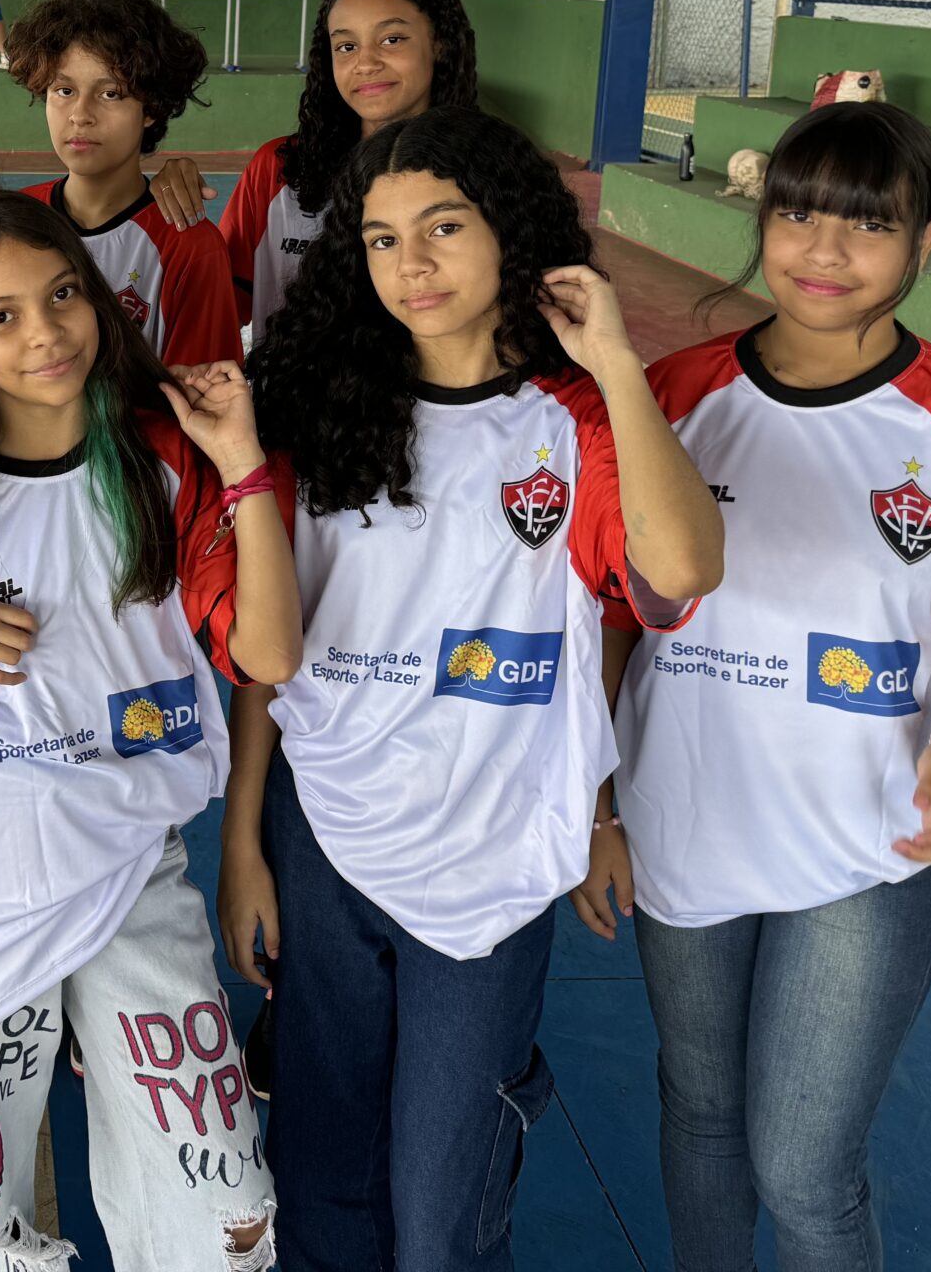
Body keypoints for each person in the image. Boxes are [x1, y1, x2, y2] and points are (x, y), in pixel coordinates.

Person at [219, 106, 725, 1272]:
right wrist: (243, 838)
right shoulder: (311, 406)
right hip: (324, 830)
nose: (413, 263)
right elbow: (266, 655)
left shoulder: (576, 417)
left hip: (495, 843)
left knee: (443, 1202)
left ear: (508, 229)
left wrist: (614, 364)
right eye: (382, 239)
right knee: (321, 1169)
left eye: (443, 227)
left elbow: (683, 565)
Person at [594, 102, 931, 1272]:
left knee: (804, 1168)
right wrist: (599, 805)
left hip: (866, 840)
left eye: (866, 225)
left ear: (925, 243)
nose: (822, 250)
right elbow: (608, 616)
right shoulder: (672, 399)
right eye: (797, 214)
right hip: (682, 822)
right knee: (701, 1114)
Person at [0, 190, 301, 1272]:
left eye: (60, 296)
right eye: (0, 316)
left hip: (133, 868)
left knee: (227, 1206)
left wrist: (244, 466)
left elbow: (269, 655)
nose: (43, 332)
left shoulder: (162, 460)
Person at [150, 0, 479, 348]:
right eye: (346, 46)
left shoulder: (485, 172)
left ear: (439, 42)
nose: (365, 63)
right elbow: (215, 304)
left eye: (392, 39)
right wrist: (160, 210)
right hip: (289, 386)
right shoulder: (279, 169)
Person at [7, 0, 240, 366]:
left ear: (151, 109)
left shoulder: (190, 246)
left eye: (110, 93)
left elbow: (203, 393)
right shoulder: (12, 221)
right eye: (64, 91)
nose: (80, 114)